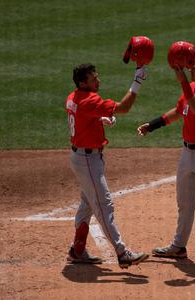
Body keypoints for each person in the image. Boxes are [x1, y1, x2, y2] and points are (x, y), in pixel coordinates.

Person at [137, 47, 195, 269]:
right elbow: (179, 111)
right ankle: (179, 247)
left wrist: (182, 80)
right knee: (184, 204)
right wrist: (153, 124)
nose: (190, 69)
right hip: (187, 154)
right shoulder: (193, 87)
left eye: (194, 67)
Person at [65, 63, 149, 267]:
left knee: (87, 205)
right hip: (87, 161)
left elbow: (83, 116)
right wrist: (137, 81)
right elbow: (124, 108)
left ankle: (77, 250)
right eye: (93, 79)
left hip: (82, 157)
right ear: (83, 82)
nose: (98, 81)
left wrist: (99, 119)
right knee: (104, 205)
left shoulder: (72, 97)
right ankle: (122, 253)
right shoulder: (91, 100)